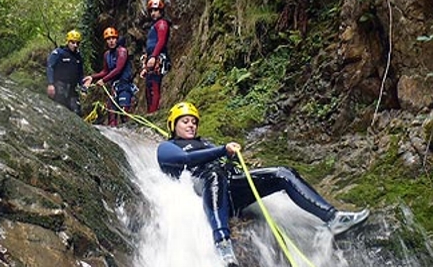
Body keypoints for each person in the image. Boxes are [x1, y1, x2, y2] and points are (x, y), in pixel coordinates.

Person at [157, 102, 370, 266]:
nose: (191, 125)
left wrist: (232, 159)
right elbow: (184, 161)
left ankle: (332, 217)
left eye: (194, 121)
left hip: (231, 188)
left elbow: (228, 163)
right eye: (185, 121)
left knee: (282, 173)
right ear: (173, 125)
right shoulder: (168, 146)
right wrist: (223, 150)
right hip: (203, 185)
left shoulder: (206, 143)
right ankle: (222, 242)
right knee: (214, 174)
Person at [83, 27, 136, 127]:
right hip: (114, 88)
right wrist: (92, 77)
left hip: (124, 86)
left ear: (116, 39)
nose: (111, 41)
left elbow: (118, 69)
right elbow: (105, 71)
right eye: (108, 39)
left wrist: (104, 80)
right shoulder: (107, 55)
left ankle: (129, 132)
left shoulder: (122, 51)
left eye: (113, 38)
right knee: (111, 113)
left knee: (124, 112)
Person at [139, 0, 172, 114]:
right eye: (151, 11)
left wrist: (154, 56)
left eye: (156, 10)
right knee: (149, 88)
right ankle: (150, 112)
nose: (153, 13)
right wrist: (146, 65)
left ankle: (154, 113)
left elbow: (161, 41)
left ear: (161, 11)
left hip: (158, 58)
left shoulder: (162, 24)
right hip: (152, 58)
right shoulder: (154, 26)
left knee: (154, 85)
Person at [46, 30, 85, 117]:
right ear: (68, 42)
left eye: (77, 43)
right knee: (60, 111)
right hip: (60, 86)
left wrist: (83, 87)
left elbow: (80, 73)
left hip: (72, 88)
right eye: (73, 42)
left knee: (76, 112)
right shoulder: (58, 53)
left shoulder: (78, 56)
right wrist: (50, 84)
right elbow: (50, 67)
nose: (75, 45)